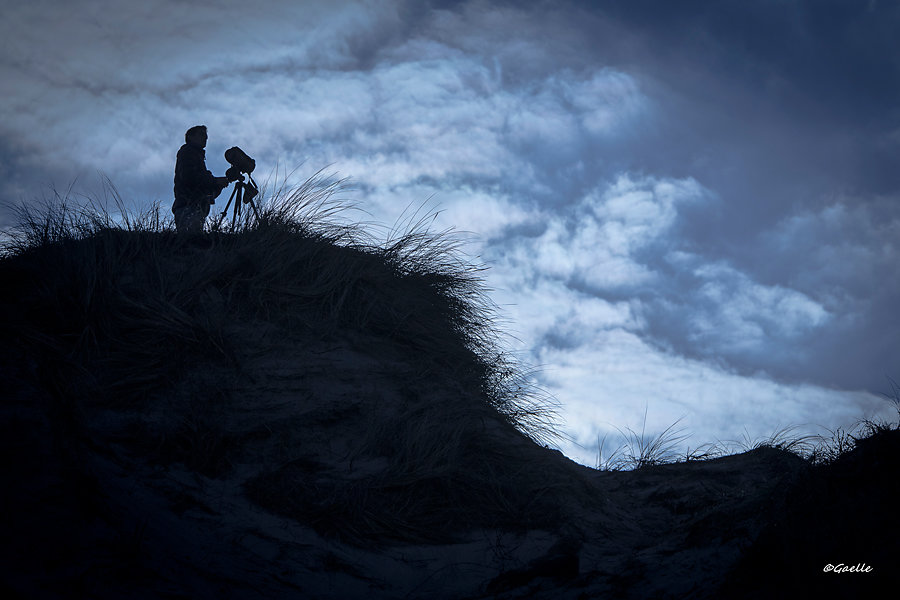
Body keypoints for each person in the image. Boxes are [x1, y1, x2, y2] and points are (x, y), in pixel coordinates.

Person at [172, 125, 232, 234]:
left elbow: (202, 189)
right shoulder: (188, 152)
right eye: (201, 134)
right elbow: (189, 177)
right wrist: (215, 181)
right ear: (190, 137)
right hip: (188, 207)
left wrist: (217, 185)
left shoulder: (196, 154)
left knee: (193, 244)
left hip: (192, 208)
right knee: (191, 243)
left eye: (206, 135)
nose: (205, 138)